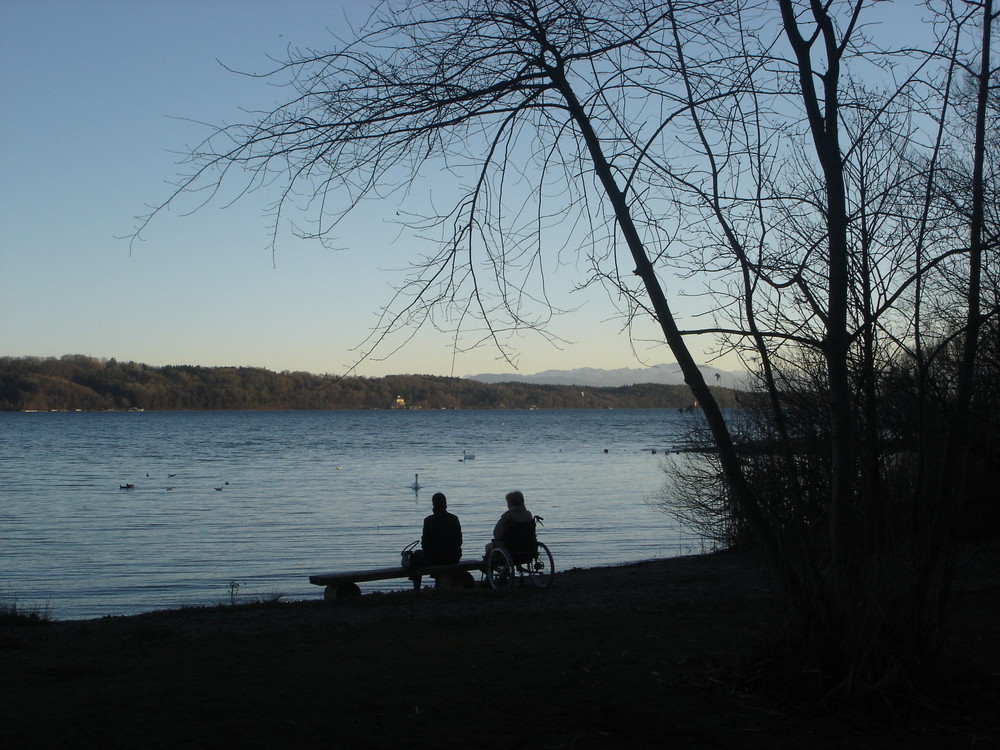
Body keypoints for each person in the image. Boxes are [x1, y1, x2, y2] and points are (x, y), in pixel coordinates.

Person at [409, 492, 462, 588]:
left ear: (433, 505)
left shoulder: (428, 520)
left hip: (435, 558)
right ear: (445, 504)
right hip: (453, 557)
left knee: (415, 556)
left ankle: (416, 588)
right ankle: (438, 583)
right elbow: (459, 541)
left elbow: (425, 543)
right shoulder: (454, 519)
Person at [486, 490, 537, 562]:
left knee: (488, 546)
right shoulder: (528, 515)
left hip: (511, 548)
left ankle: (490, 568)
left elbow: (496, 534)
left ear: (509, 503)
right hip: (528, 546)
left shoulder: (507, 517)